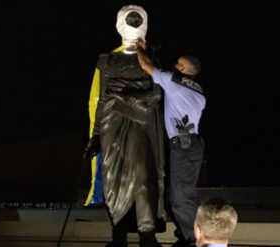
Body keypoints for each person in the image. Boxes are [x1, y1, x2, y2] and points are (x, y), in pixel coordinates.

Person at [83, 5, 166, 247]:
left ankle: (145, 236)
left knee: (141, 179)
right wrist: (97, 135)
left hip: (137, 126)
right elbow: (101, 101)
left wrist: (119, 103)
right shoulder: (109, 61)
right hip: (121, 126)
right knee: (118, 180)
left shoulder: (143, 60)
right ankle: (121, 237)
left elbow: (156, 95)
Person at [136, 42, 206, 247]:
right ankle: (186, 237)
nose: (174, 65)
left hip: (182, 147)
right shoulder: (199, 92)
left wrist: (141, 48)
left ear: (183, 69)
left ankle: (194, 241)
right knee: (186, 196)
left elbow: (144, 64)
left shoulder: (173, 81)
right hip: (194, 146)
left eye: (178, 63)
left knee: (179, 200)